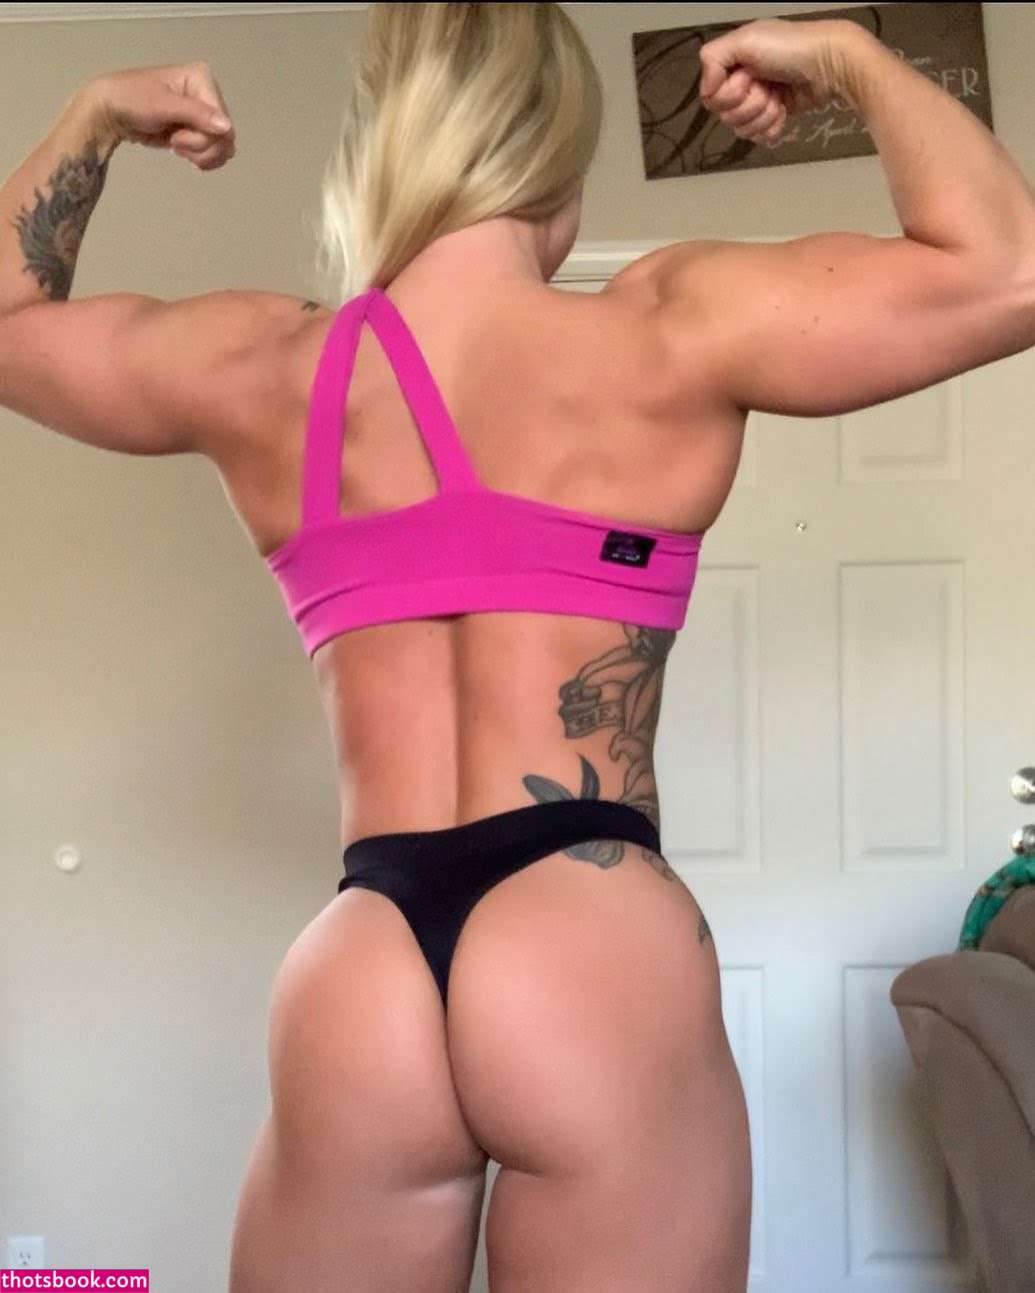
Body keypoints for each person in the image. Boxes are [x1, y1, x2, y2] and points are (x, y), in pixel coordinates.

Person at [2, 5, 1033, 1291]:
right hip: (584, 927)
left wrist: (95, 114)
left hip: (365, 948)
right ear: (555, 152)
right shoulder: (663, 324)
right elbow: (1010, 270)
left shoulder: (264, 362)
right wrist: (850, 58)